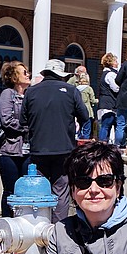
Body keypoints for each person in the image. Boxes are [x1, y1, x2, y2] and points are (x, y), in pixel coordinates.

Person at [20, 59, 89, 222]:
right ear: (61, 75)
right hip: (64, 149)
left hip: (38, 149)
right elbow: (85, 116)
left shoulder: (31, 92)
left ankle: (38, 226)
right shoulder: (72, 91)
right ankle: (58, 231)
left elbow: (22, 120)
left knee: (38, 191)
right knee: (61, 192)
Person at [0, 61, 31, 218]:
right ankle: (8, 223)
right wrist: (28, 128)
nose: (27, 74)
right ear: (15, 77)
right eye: (24, 72)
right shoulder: (7, 94)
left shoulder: (30, 95)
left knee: (25, 190)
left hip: (27, 150)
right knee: (11, 190)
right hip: (8, 151)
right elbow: (7, 120)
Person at [96, 53, 119, 143]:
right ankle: (103, 144)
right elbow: (116, 88)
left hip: (105, 103)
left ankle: (103, 143)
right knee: (106, 125)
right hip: (109, 104)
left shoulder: (105, 73)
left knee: (106, 125)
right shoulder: (110, 74)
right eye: (115, 61)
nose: (117, 63)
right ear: (111, 62)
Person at [76, 73, 98, 140]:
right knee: (87, 128)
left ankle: (78, 140)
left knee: (79, 127)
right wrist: (98, 101)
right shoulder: (89, 89)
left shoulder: (76, 89)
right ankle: (85, 142)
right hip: (87, 110)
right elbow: (93, 100)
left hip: (78, 110)